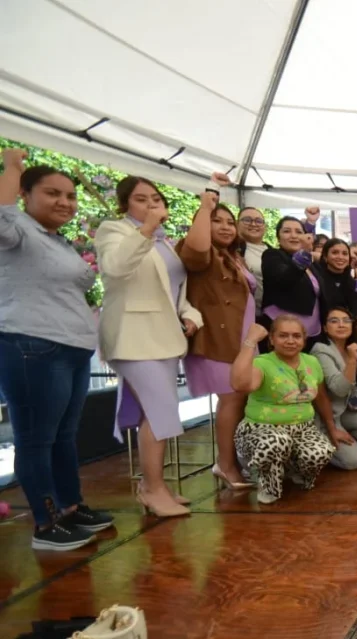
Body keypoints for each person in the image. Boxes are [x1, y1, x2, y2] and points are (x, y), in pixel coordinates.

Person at [0, 148, 113, 550]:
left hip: (71, 350)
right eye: (52, 193)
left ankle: (70, 506)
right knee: (37, 439)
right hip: (33, 346)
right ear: (25, 195)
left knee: (64, 437)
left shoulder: (56, 241)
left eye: (70, 195)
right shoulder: (16, 232)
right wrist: (13, 167)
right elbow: (2, 213)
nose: (64, 202)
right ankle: (46, 525)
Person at [96, 174, 203, 518]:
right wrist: (144, 231)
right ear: (125, 204)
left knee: (158, 411)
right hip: (132, 336)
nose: (151, 205)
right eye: (141, 199)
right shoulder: (114, 231)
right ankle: (153, 488)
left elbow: (173, 290)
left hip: (166, 337)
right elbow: (114, 269)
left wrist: (190, 315)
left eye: (156, 199)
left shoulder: (163, 242)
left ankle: (153, 484)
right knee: (161, 411)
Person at [174, 173, 253, 490]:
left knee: (240, 399)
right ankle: (226, 465)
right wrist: (209, 199)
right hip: (220, 340)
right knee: (231, 400)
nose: (225, 227)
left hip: (243, 338)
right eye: (216, 221)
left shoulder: (233, 256)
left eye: (229, 223)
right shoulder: (201, 252)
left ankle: (235, 461)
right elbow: (194, 251)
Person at [230, 318, 350, 504]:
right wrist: (250, 341)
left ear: (304, 339)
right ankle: (267, 483)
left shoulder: (311, 362)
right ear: (271, 339)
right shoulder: (262, 363)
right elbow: (239, 384)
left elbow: (321, 397)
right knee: (278, 441)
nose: (290, 341)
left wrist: (331, 427)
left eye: (296, 336)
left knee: (321, 451)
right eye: (283, 335)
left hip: (302, 428)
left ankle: (293, 473)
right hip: (261, 431)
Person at [310, 308, 357, 469]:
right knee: (355, 461)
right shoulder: (321, 351)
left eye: (346, 320)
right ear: (324, 327)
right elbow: (339, 389)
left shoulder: (347, 348)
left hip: (344, 411)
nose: (341, 325)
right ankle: (323, 444)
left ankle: (345, 440)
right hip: (326, 418)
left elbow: (352, 387)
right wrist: (352, 361)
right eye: (334, 321)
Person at [260, 217, 323, 344]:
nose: (294, 236)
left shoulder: (312, 264)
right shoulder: (272, 255)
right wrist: (304, 254)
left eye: (299, 232)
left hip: (312, 333)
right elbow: (285, 280)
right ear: (278, 237)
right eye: (287, 231)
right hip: (282, 334)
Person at [315, 238, 357, 319]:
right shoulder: (316, 276)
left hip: (346, 325)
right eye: (335, 252)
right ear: (325, 257)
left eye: (345, 254)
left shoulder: (352, 281)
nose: (340, 257)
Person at [237, 207, 268, 312]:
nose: (253, 224)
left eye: (259, 221)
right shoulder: (233, 250)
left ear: (265, 227)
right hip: (243, 314)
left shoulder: (274, 252)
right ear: (237, 224)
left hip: (269, 315)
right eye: (247, 220)